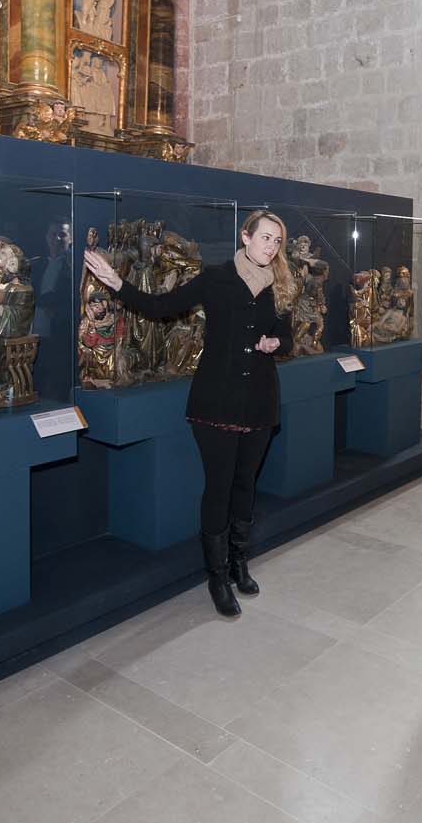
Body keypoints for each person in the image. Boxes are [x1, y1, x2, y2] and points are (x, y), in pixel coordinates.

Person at [83, 210, 298, 618]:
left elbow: (287, 336)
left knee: (245, 484)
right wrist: (116, 283)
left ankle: (239, 562)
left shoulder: (281, 285)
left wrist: (276, 343)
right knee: (218, 487)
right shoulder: (216, 277)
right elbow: (162, 305)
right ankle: (216, 575)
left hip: (260, 400)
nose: (271, 247)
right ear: (245, 236)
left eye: (277, 241)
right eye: (266, 237)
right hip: (216, 401)